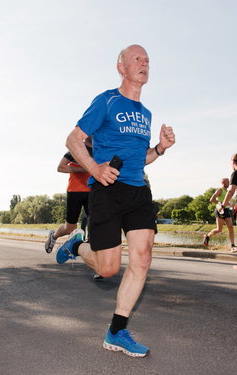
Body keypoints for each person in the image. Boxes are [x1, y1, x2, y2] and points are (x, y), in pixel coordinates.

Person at [55, 44, 175, 357]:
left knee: (142, 258)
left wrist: (160, 148)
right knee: (108, 269)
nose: (144, 62)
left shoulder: (145, 114)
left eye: (147, 58)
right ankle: (77, 246)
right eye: (137, 58)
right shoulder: (106, 101)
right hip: (107, 190)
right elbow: (73, 139)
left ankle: (117, 331)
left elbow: (141, 159)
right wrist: (94, 167)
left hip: (137, 192)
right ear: (121, 66)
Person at [44, 137, 92, 254]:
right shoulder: (77, 149)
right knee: (70, 227)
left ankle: (90, 246)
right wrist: (83, 169)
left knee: (95, 221)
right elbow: (60, 167)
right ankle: (54, 236)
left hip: (93, 190)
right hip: (75, 191)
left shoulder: (101, 148)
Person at [202, 178, 237, 252]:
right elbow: (212, 199)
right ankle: (207, 236)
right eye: (227, 182)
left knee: (231, 228)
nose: (229, 183)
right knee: (219, 229)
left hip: (226, 210)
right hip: (220, 211)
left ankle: (233, 246)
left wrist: (230, 204)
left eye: (229, 182)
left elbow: (225, 201)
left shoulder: (227, 191)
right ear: (223, 182)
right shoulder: (220, 190)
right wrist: (219, 204)